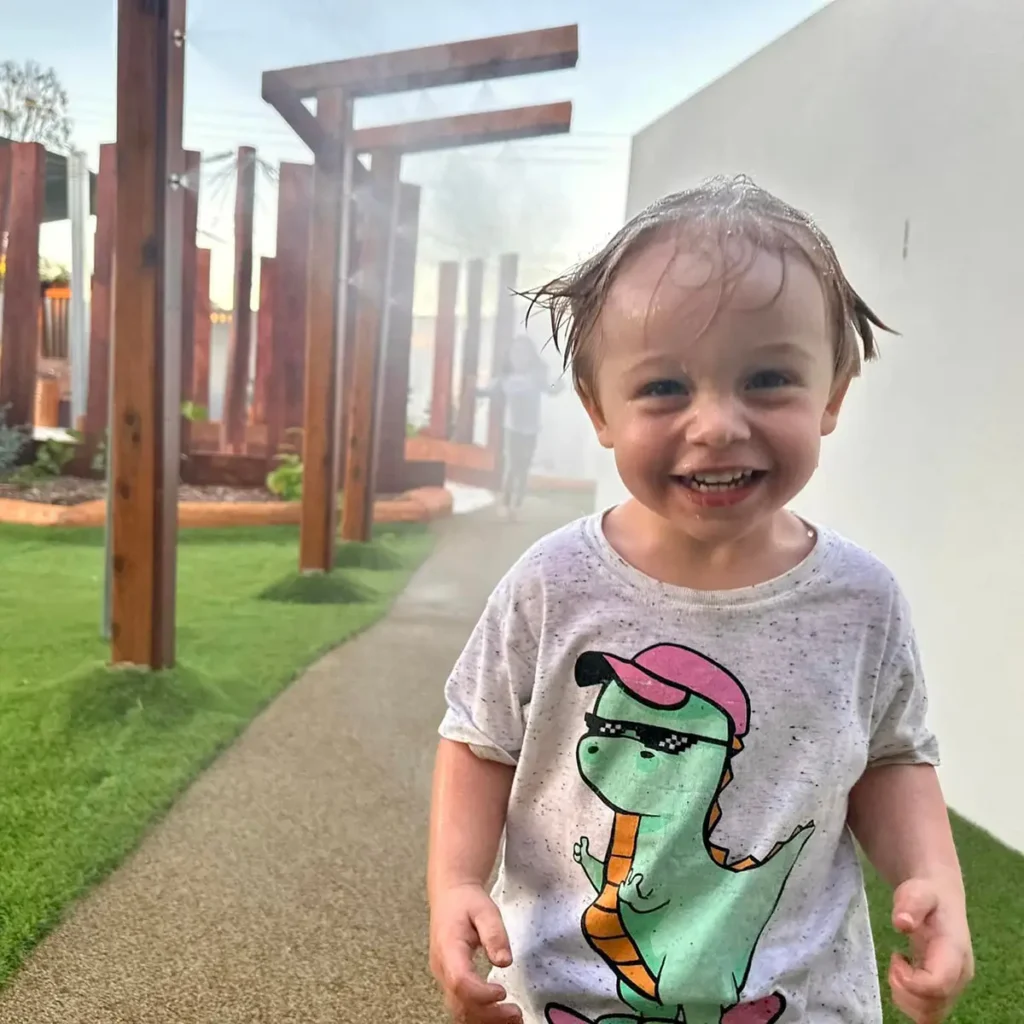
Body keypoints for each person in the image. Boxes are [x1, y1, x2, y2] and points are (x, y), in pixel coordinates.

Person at [428, 176, 972, 1024]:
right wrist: (457, 882)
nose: (716, 423)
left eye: (766, 379)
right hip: (570, 997)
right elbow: (479, 740)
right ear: (597, 408)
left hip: (796, 1000)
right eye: (663, 389)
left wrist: (932, 878)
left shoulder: (861, 601)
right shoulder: (552, 583)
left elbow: (894, 758)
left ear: (832, 394)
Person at [479, 334, 563, 518]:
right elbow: (489, 390)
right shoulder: (506, 378)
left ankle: (518, 502)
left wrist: (560, 385)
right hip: (512, 428)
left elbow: (551, 390)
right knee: (512, 465)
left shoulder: (536, 377)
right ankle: (506, 501)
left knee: (523, 465)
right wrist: (476, 391)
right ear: (510, 357)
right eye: (516, 354)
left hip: (531, 429)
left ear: (531, 357)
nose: (520, 358)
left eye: (524, 354)